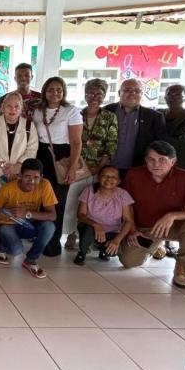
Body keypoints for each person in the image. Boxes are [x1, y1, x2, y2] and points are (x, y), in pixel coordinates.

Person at [119, 141, 185, 288]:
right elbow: (124, 205)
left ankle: (182, 268)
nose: (156, 164)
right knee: (129, 262)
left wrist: (172, 215)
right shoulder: (133, 175)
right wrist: (133, 230)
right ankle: (156, 246)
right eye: (151, 159)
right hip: (145, 228)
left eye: (162, 160)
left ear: (172, 161)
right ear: (146, 160)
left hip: (175, 226)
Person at [32, 76, 84, 257]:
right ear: (45, 92)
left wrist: (71, 168)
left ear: (63, 92)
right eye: (51, 90)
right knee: (38, 198)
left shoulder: (71, 111)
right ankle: (38, 238)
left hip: (62, 157)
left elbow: (76, 142)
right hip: (40, 155)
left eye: (59, 90)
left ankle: (52, 244)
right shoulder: (38, 111)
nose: (55, 93)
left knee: (57, 201)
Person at [65, 78, 118, 251]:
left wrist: (99, 168)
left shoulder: (110, 117)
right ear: (85, 94)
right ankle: (71, 234)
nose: (94, 97)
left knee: (91, 204)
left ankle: (85, 238)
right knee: (73, 201)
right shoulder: (76, 114)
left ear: (104, 96)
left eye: (99, 94)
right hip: (78, 166)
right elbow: (71, 141)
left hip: (98, 168)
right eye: (90, 93)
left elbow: (111, 144)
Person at [0, 158, 57, 279]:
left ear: (41, 177)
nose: (31, 181)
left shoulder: (45, 185)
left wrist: (27, 214)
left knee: (49, 227)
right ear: (20, 175)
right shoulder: (8, 188)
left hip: (28, 224)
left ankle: (31, 260)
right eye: (27, 176)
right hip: (7, 224)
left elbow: (52, 215)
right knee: (16, 251)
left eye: (36, 177)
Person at [0, 91, 39, 218]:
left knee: (12, 209)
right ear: (3, 107)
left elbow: (32, 149)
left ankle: (7, 234)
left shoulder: (29, 125)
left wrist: (17, 166)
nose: (12, 109)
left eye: (17, 106)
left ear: (21, 108)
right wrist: (3, 165)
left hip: (18, 174)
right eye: (8, 106)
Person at [105, 78, 166, 177]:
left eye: (137, 91)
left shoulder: (154, 117)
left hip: (138, 170)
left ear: (142, 94)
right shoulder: (106, 111)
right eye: (128, 90)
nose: (132, 93)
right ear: (119, 92)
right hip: (106, 169)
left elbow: (160, 146)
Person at [74, 166, 134, 265]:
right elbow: (80, 214)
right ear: (98, 178)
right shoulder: (89, 191)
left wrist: (117, 240)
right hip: (90, 227)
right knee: (87, 232)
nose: (109, 179)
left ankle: (103, 251)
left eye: (113, 177)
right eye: (105, 176)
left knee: (114, 251)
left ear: (119, 181)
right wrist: (96, 225)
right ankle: (82, 253)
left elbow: (128, 220)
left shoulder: (123, 195)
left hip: (112, 231)